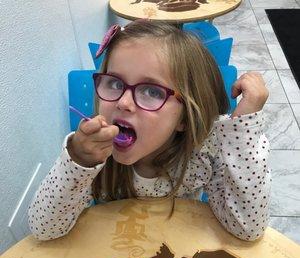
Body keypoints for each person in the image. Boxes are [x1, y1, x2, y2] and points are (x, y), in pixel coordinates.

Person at [28, 20, 270, 242]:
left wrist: (244, 132)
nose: (123, 103)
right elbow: (44, 228)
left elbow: (247, 228)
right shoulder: (93, 152)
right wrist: (78, 162)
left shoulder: (203, 153)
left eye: (152, 91)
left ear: (184, 118)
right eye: (114, 83)